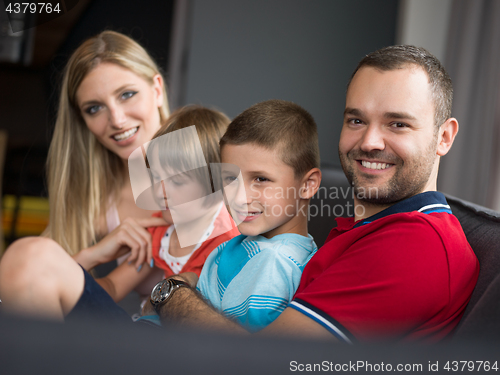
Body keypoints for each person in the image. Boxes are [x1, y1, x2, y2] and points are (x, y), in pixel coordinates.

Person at [142, 46, 479, 343]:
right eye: (357, 120)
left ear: (444, 137)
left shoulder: (413, 244)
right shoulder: (374, 228)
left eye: (398, 124)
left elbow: (258, 364)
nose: (369, 142)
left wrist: (171, 291)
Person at [46, 30, 170, 280]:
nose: (117, 120)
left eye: (127, 94)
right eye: (95, 108)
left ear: (156, 90)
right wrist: (90, 256)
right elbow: (28, 276)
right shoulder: (98, 201)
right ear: (83, 121)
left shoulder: (214, 164)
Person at [189, 99, 321, 332]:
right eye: (230, 179)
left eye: (260, 179)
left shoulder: (272, 263)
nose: (240, 196)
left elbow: (236, 351)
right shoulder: (262, 246)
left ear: (307, 185)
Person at [96, 105, 240, 303]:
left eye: (177, 181)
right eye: (155, 177)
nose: (158, 192)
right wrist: (92, 256)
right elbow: (112, 288)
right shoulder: (162, 228)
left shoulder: (229, 245)